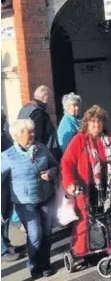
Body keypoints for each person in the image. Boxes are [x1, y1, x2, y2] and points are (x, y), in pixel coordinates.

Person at [61, 106, 111, 258]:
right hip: (86, 187)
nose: (96, 125)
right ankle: (83, 251)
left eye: (99, 122)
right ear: (86, 123)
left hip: (108, 185)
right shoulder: (79, 140)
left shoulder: (110, 139)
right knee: (86, 219)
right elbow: (67, 163)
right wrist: (70, 183)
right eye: (92, 122)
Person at [1, 119, 58, 278]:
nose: (33, 134)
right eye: (29, 132)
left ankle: (45, 264)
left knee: (46, 233)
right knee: (35, 235)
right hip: (25, 204)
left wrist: (51, 173)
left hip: (46, 197)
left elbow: (55, 166)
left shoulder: (42, 148)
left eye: (33, 131)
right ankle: (34, 265)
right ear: (17, 136)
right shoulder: (7, 156)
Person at [17, 85, 62, 161]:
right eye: (51, 98)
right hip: (38, 156)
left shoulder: (24, 109)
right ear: (45, 97)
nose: (52, 101)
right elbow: (37, 137)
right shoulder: (39, 113)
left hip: (22, 151)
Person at [1, 109, 19, 263]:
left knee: (6, 213)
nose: (4, 120)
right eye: (2, 118)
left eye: (3, 117)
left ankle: (6, 242)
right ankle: (2, 251)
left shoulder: (3, 133)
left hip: (7, 179)